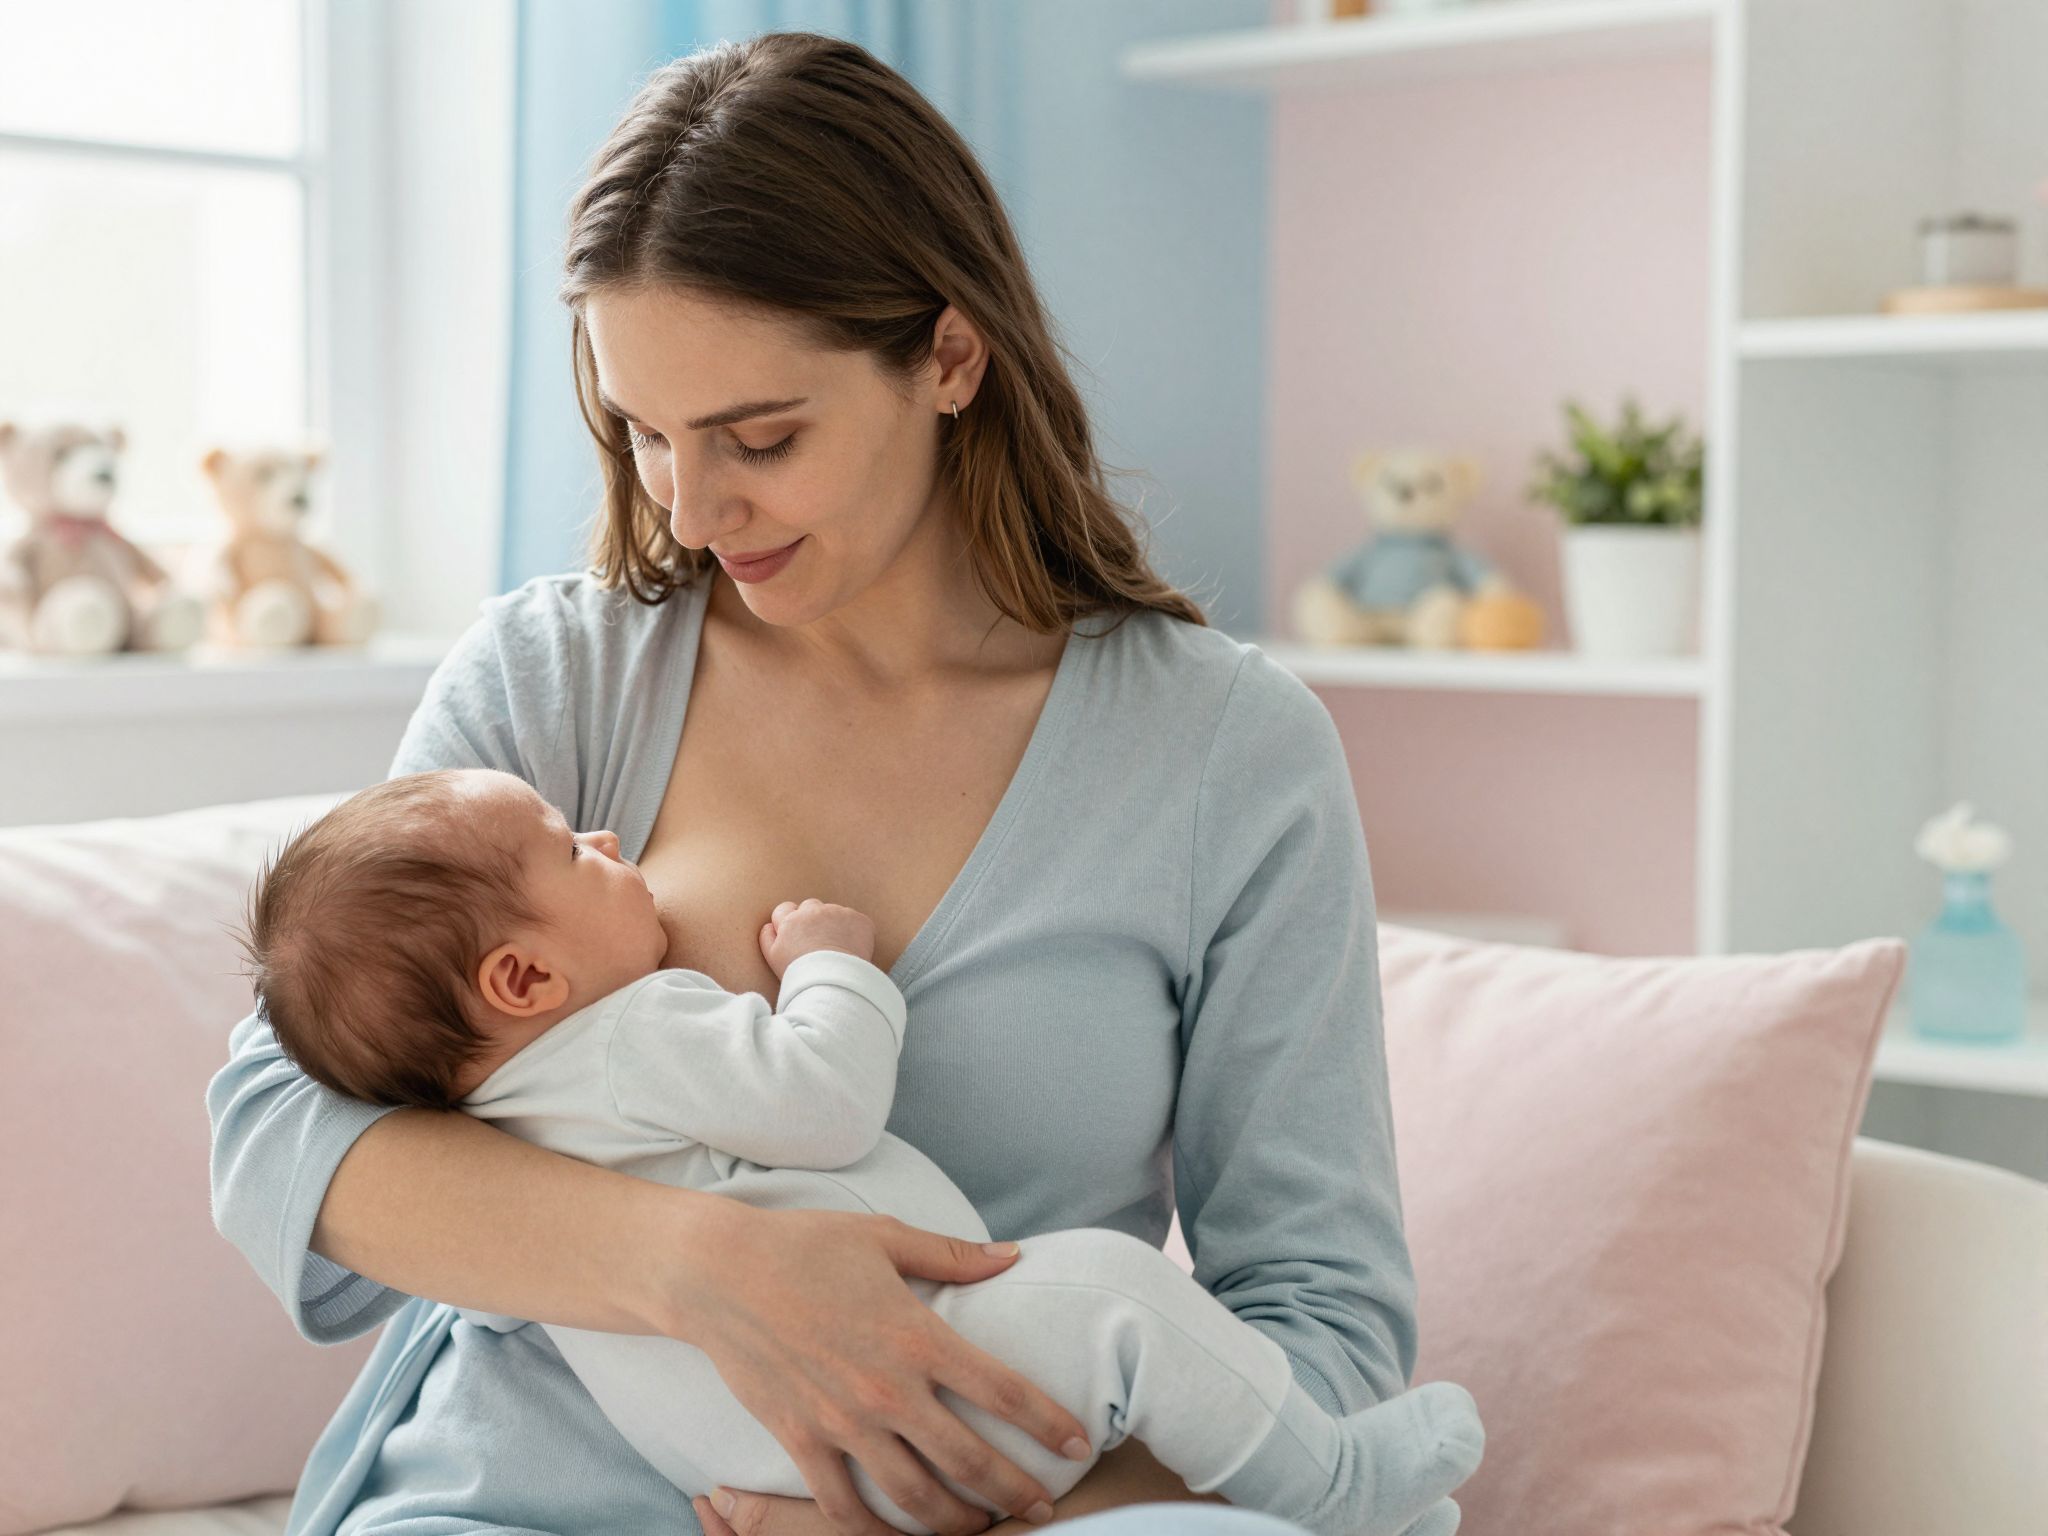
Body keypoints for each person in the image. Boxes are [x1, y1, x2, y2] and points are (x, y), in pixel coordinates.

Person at [205, 29, 1475, 1536]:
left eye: (760, 436)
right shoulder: (559, 676)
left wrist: (979, 1517)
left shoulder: (1224, 755)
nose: (691, 507)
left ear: (948, 356)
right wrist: (712, 1276)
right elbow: (288, 1132)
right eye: (646, 436)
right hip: (519, 1499)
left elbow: (1318, 1316)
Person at [233, 766, 1484, 1536]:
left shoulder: (499, 1098)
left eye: (764, 436)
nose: (608, 844)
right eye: (572, 849)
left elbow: (1319, 1284)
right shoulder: (628, 1028)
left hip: (758, 1457)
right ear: (522, 976)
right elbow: (818, 1100)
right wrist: (831, 966)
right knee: (1114, 1298)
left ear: (946, 362)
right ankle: (1326, 1489)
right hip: (884, 1392)